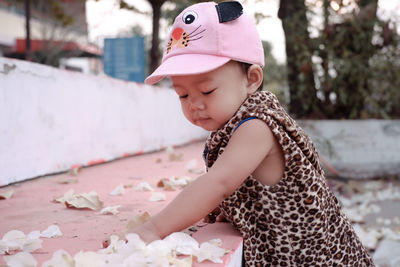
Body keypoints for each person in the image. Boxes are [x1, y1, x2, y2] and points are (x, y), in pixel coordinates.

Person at [133, 1, 374, 266]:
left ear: (251, 79)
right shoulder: (233, 122)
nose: (194, 104)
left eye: (207, 91)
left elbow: (218, 184)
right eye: (183, 94)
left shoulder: (257, 126)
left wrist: (152, 229)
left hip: (316, 259)